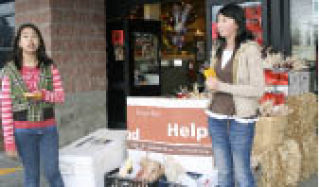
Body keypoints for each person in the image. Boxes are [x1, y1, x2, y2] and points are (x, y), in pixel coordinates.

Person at [205, 4, 264, 187]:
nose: (219, 25)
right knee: (223, 172)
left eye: (224, 20)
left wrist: (221, 86)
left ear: (237, 23)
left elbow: (258, 89)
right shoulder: (217, 50)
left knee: (242, 173)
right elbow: (215, 81)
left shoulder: (250, 50)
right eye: (218, 21)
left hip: (241, 120)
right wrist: (211, 85)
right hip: (216, 117)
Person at [1, 23, 65, 187]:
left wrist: (43, 95)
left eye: (34, 36)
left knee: (52, 173)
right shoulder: (9, 71)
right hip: (22, 131)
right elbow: (5, 108)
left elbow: (60, 96)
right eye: (26, 36)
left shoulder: (49, 67)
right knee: (31, 177)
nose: (31, 40)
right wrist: (9, 142)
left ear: (40, 41)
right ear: (19, 42)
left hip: (48, 129)